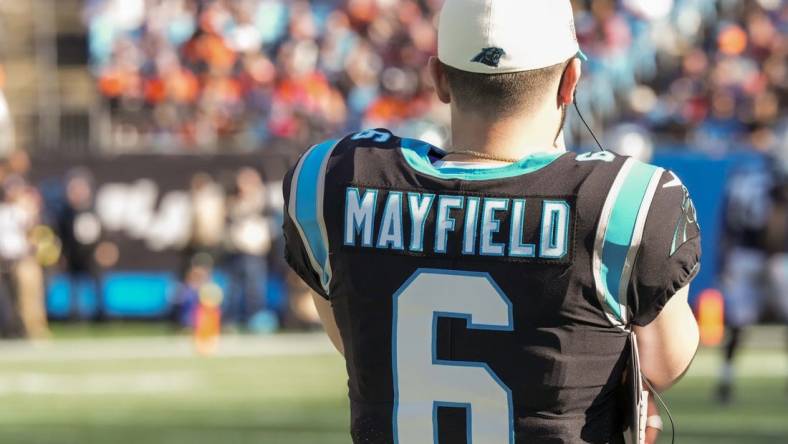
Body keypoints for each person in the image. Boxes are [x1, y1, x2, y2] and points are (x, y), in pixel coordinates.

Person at [283, 0, 701, 442]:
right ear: (570, 81)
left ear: (439, 78)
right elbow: (664, 364)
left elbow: (353, 341)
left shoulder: (329, 177)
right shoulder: (625, 200)